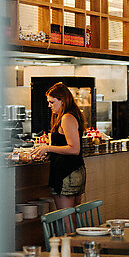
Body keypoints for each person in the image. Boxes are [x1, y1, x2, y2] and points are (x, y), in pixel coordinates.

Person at [32, 82, 86, 216]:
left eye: (52, 102)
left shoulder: (67, 117)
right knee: (74, 219)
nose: (49, 105)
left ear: (62, 100)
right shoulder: (72, 115)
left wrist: (48, 148)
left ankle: (66, 238)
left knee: (67, 222)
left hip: (66, 173)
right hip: (75, 171)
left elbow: (74, 149)